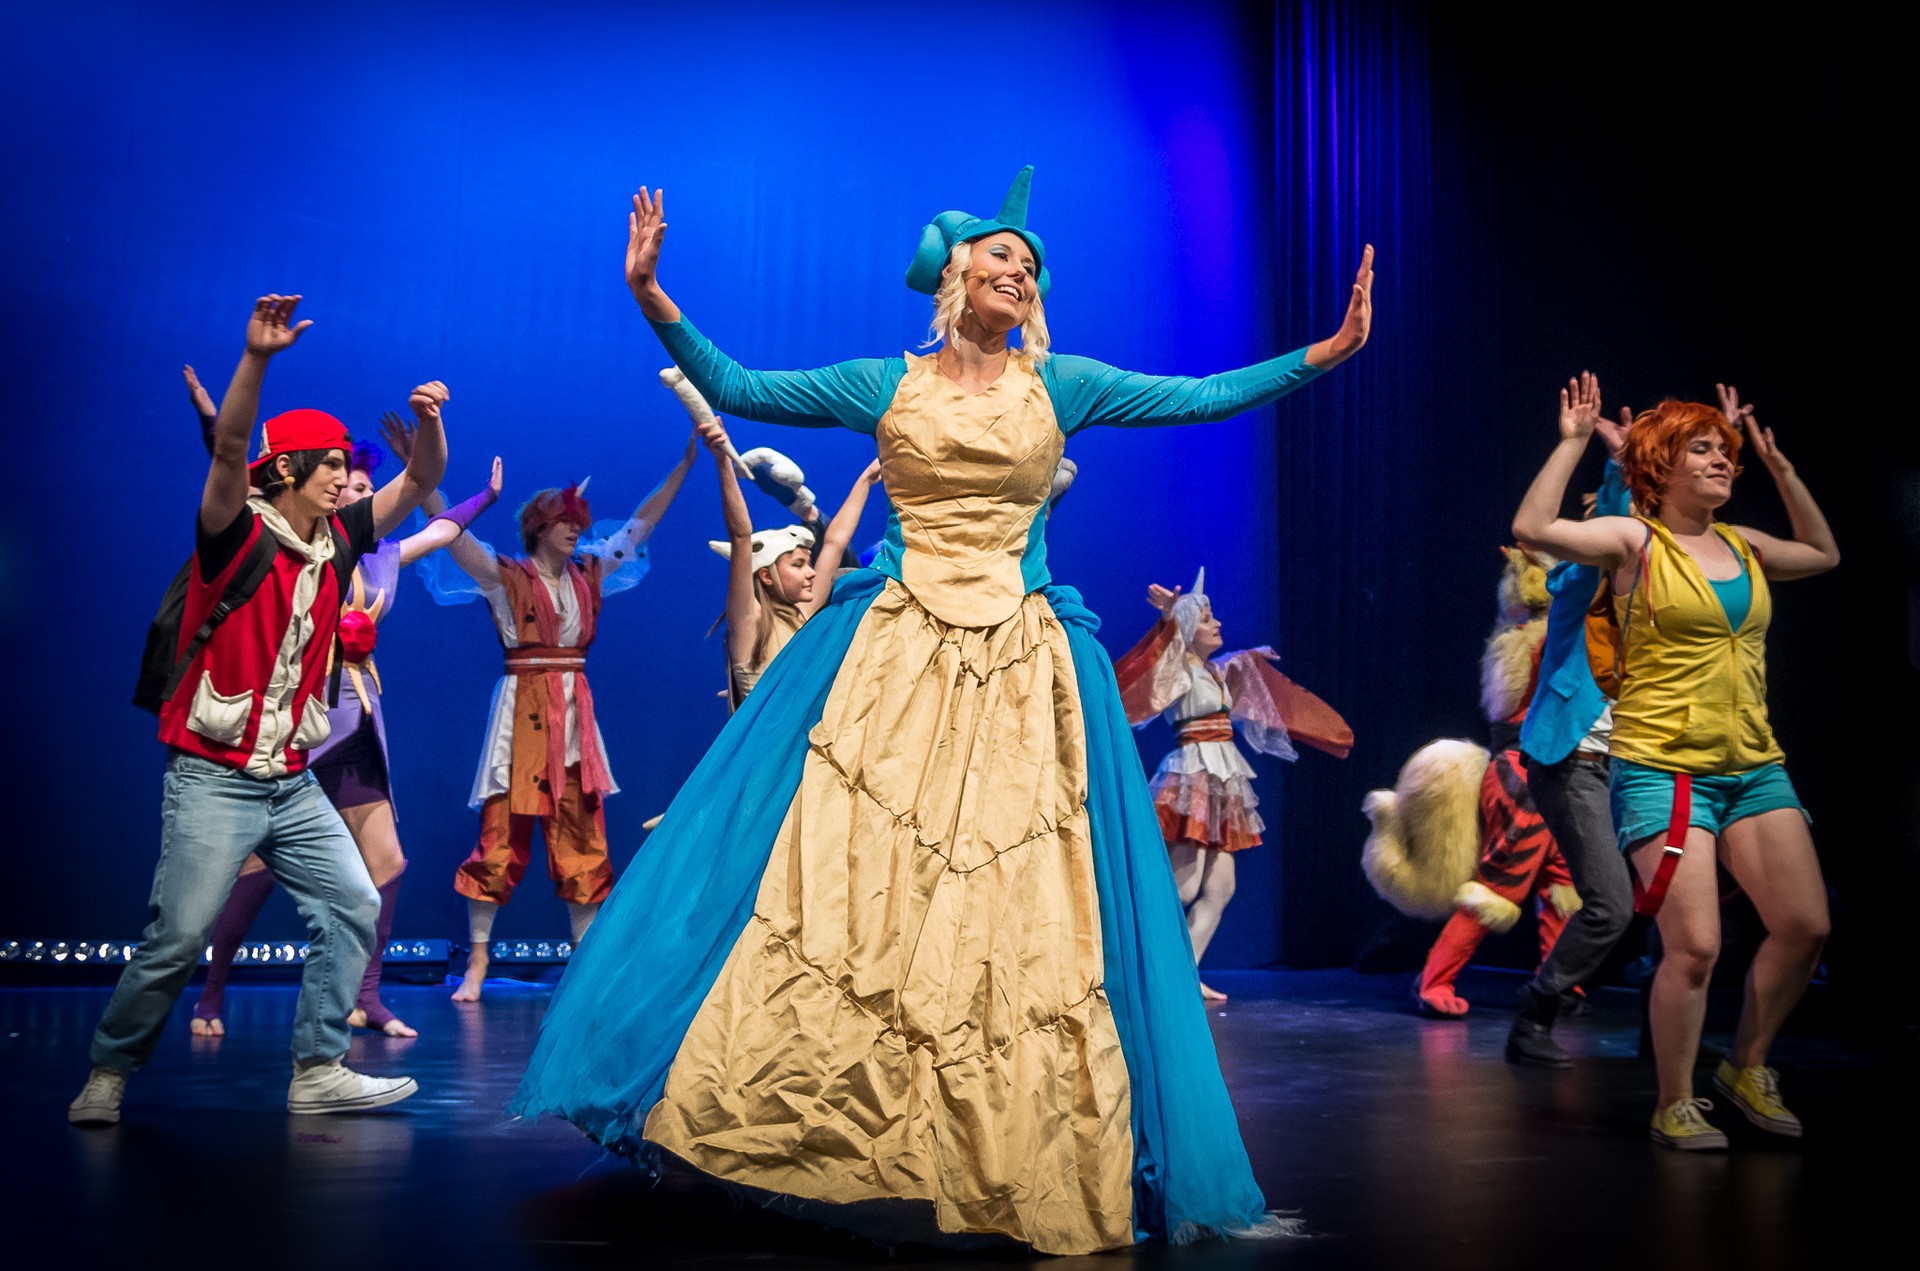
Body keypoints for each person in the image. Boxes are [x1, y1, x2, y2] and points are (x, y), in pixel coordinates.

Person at [509, 170, 1373, 1254]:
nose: (1022, 271)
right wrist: (651, 294)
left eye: (1032, 265)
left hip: (1021, 664)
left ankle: (1000, 1141)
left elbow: (1197, 396)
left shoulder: (1062, 385)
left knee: (1017, 904)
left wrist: (1324, 352)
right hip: (892, 658)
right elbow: (738, 384)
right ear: (955, 274)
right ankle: (804, 1116)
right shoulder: (886, 382)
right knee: (844, 890)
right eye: (1003, 255)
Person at [70, 295, 444, 1125]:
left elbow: (419, 482)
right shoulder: (233, 533)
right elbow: (232, 446)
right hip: (214, 775)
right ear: (287, 471)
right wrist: (257, 358)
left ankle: (318, 1068)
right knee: (177, 936)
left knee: (352, 901)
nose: (343, 475)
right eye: (328, 464)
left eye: (344, 464)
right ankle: (109, 1071)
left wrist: (429, 426)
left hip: (290, 778)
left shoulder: (339, 541)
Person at [1511, 372, 1838, 1150]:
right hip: (1664, 767)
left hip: (1754, 765)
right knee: (1694, 946)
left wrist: (1779, 465)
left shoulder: (1744, 545)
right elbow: (1531, 526)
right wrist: (1572, 443)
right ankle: (1676, 1099)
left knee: (1805, 923)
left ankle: (1747, 1066)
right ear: (1664, 466)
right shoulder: (1636, 541)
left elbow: (1824, 553)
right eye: (1703, 449)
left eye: (1726, 450)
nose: (1723, 460)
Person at [186, 406, 503, 1039]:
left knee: (387, 863)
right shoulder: (305, 547)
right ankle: (211, 994)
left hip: (359, 717)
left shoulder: (383, 555)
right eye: (351, 484)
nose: (358, 493)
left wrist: (486, 497)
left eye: (364, 486)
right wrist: (215, 425)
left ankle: (367, 997)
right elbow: (242, 490)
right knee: (258, 870)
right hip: (304, 715)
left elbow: (441, 529)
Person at [424, 435, 700, 1001]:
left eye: (578, 522)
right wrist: (425, 480)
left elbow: (642, 524)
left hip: (575, 720)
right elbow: (454, 537)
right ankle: (477, 962)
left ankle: (586, 968)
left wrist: (683, 466)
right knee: (499, 839)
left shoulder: (590, 574)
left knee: (582, 838)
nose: (575, 529)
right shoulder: (504, 577)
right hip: (521, 716)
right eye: (564, 522)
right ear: (539, 527)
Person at [1115, 570, 1352, 1002]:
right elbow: (1156, 661)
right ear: (1189, 631)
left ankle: (1184, 973)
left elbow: (1246, 685)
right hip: (1194, 776)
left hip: (1223, 781)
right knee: (1185, 887)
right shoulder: (1180, 669)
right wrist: (1170, 620)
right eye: (1207, 619)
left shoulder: (1215, 671)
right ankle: (1138, 966)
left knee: (1222, 887)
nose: (1218, 623)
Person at [1505, 401, 1636, 1066]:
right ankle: (1537, 1009)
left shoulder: (1660, 585)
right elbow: (1599, 527)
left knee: (1678, 898)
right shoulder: (1583, 579)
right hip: (1574, 756)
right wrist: (1608, 461)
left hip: (1641, 758)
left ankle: (1670, 1026)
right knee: (1611, 905)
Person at [702, 416, 881, 704]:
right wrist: (723, 460)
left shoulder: (803, 615)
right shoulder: (750, 622)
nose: (812, 573)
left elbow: (834, 544)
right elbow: (740, 536)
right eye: (798, 565)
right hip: (772, 735)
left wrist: (866, 480)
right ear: (766, 575)